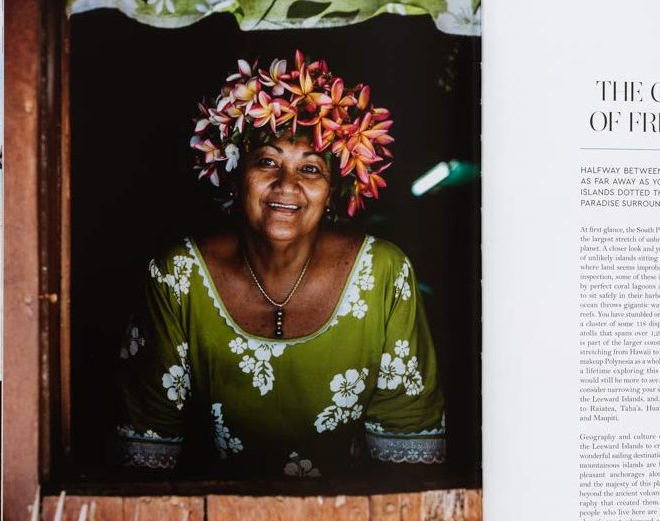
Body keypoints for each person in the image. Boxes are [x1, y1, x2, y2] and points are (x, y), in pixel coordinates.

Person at [115, 52, 446, 476]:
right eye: (267, 161)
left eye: (311, 168)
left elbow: (409, 451)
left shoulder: (383, 273)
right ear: (236, 175)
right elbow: (147, 453)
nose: (286, 185)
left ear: (333, 193)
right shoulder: (178, 276)